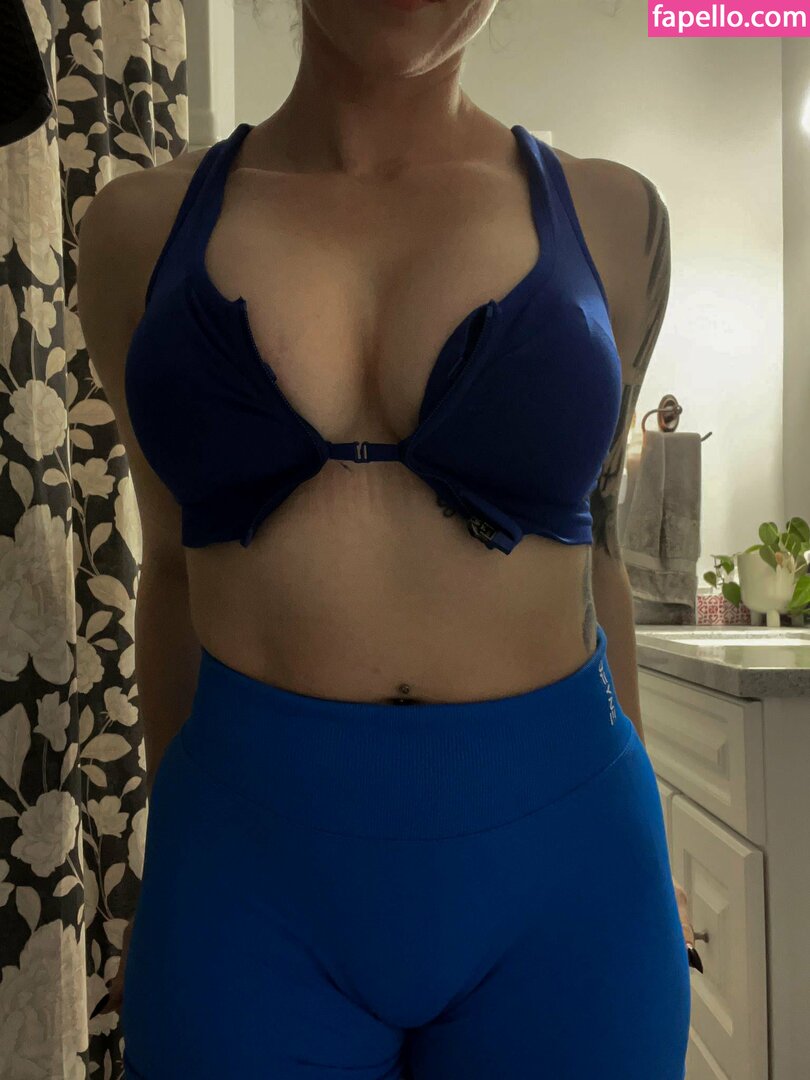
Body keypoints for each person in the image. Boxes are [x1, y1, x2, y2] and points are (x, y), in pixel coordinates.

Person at [77, 1, 695, 1076]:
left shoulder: (615, 214)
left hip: (572, 863)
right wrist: (171, 856)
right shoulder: (136, 230)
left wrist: (645, 857)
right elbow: (168, 563)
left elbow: (597, 556)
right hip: (245, 866)